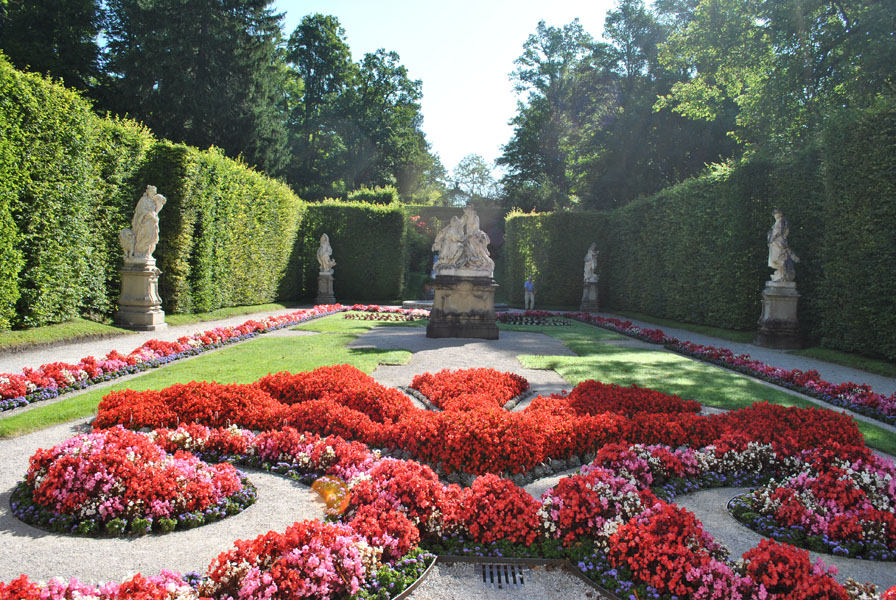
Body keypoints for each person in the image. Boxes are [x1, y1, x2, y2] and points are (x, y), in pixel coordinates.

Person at [767, 209, 799, 282]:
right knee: (774, 259)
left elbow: (779, 232)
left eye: (776, 213)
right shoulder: (777, 222)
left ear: (780, 214)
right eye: (774, 214)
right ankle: (781, 273)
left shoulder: (781, 222)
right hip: (775, 243)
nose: (775, 215)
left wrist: (772, 238)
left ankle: (783, 273)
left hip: (778, 242)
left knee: (778, 257)